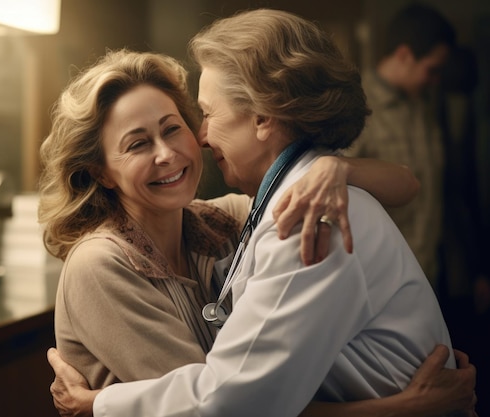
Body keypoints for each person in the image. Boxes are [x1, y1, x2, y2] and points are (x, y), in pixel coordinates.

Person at [42, 9, 478, 417]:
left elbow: (230, 401)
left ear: (264, 118)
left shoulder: (297, 219)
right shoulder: (271, 208)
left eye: (198, 117)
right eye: (137, 144)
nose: (201, 135)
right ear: (99, 171)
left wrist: (99, 405)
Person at [345, 3, 456, 291]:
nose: (435, 81)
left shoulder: (423, 105)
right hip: (379, 283)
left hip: (428, 275)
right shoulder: (355, 109)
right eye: (431, 70)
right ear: (404, 55)